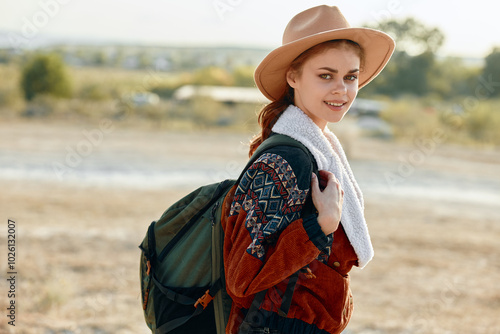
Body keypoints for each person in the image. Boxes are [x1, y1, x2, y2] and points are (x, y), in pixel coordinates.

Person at [220, 5, 395, 334]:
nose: (341, 89)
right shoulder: (285, 160)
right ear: (293, 76)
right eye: (325, 76)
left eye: (351, 77)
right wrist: (320, 227)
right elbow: (242, 278)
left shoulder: (320, 150)